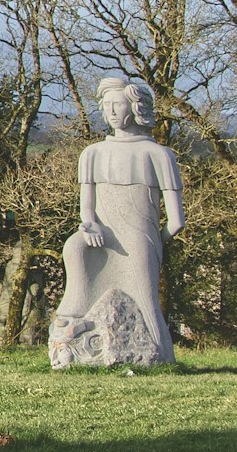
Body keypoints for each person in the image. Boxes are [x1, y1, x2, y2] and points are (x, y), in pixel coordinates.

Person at [53, 78, 184, 363]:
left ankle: (156, 356)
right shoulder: (92, 154)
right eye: (107, 105)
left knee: (146, 301)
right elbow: (86, 209)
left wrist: (151, 245)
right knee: (73, 248)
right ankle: (71, 339)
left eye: (118, 105)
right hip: (101, 235)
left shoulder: (158, 155)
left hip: (139, 239)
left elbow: (176, 221)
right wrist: (90, 226)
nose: (111, 111)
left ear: (136, 108)